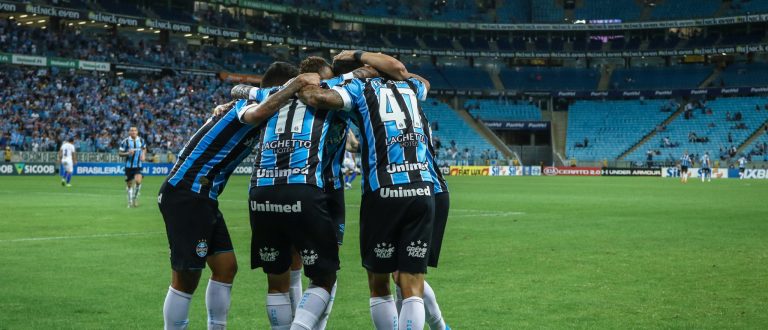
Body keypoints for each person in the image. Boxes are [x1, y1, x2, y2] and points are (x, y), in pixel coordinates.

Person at [158, 62, 303, 330]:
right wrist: (294, 87)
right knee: (186, 276)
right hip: (186, 193)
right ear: (280, 89)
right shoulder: (245, 108)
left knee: (226, 268)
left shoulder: (248, 109)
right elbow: (259, 110)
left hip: (204, 197)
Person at [299, 50, 435, 330]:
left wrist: (345, 76)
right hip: (422, 189)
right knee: (412, 284)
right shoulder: (411, 85)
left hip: (383, 192)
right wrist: (374, 63)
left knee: (379, 283)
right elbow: (414, 77)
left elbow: (316, 97)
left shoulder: (358, 87)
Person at [118, 127, 147, 207]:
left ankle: (135, 199)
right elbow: (120, 153)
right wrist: (127, 153)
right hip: (128, 167)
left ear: (137, 132)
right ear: (129, 132)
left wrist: (143, 155)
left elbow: (144, 148)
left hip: (138, 166)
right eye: (131, 130)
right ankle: (130, 201)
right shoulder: (125, 142)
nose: (133, 132)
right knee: (129, 185)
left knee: (138, 181)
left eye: (135, 130)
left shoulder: (141, 140)